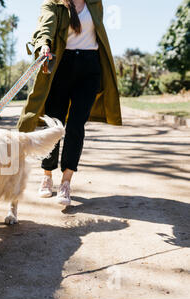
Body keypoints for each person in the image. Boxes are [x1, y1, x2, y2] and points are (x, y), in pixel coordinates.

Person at [17, 0, 122, 206]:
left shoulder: (95, 3)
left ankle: (66, 182)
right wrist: (44, 44)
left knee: (75, 126)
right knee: (55, 124)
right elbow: (45, 26)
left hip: (90, 68)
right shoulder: (53, 4)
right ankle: (47, 176)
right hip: (61, 67)